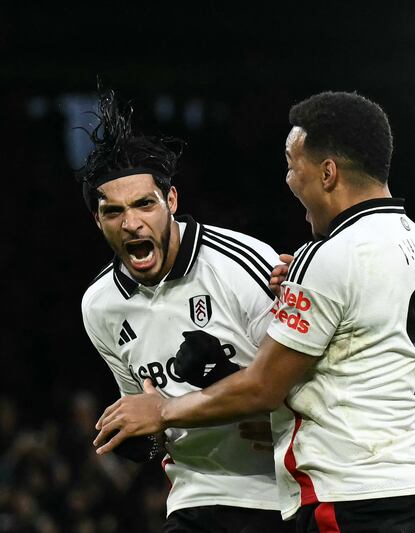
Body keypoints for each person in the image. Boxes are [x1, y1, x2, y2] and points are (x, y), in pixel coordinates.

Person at [93, 91, 415, 532]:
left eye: (291, 165)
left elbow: (266, 386)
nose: (287, 180)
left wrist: (165, 411)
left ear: (328, 173)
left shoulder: (320, 257)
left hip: (351, 495)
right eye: (113, 211)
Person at [78, 88, 292, 532]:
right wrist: (142, 440)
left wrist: (171, 412)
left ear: (171, 201)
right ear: (98, 221)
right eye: (113, 212)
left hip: (279, 492)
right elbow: (150, 415)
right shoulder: (99, 306)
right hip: (194, 497)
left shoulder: (244, 264)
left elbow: (289, 382)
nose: (132, 223)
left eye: (144, 204)